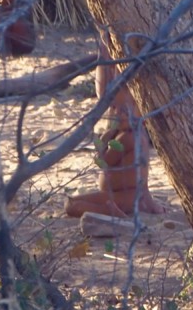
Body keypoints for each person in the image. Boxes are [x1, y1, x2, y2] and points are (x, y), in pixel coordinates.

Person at [65, 42, 167, 218]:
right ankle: (135, 203)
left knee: (71, 205)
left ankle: (110, 212)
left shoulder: (125, 138)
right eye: (115, 110)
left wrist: (106, 136)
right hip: (131, 196)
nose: (117, 115)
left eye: (122, 112)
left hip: (125, 198)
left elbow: (102, 162)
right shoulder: (134, 134)